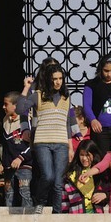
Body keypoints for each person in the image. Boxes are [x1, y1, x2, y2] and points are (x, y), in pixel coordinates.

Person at [21, 59, 76, 213]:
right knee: (47, 175)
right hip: (41, 138)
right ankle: (39, 202)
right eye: (54, 78)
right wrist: (26, 89)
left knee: (58, 181)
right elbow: (21, 109)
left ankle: (57, 213)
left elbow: (67, 119)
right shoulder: (37, 92)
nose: (57, 82)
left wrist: (72, 142)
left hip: (61, 141)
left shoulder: (66, 96)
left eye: (60, 78)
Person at [0, 91, 34, 211]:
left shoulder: (26, 121)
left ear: (15, 105)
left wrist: (20, 158)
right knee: (9, 196)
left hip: (24, 166)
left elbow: (33, 146)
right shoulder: (5, 120)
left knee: (24, 194)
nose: (3, 107)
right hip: (9, 168)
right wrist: (3, 163)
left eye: (6, 104)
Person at [60, 137, 108, 213]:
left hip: (97, 217)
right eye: (82, 155)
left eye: (87, 155)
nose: (84, 158)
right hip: (75, 218)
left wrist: (106, 195)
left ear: (94, 154)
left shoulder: (100, 173)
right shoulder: (70, 175)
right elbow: (64, 202)